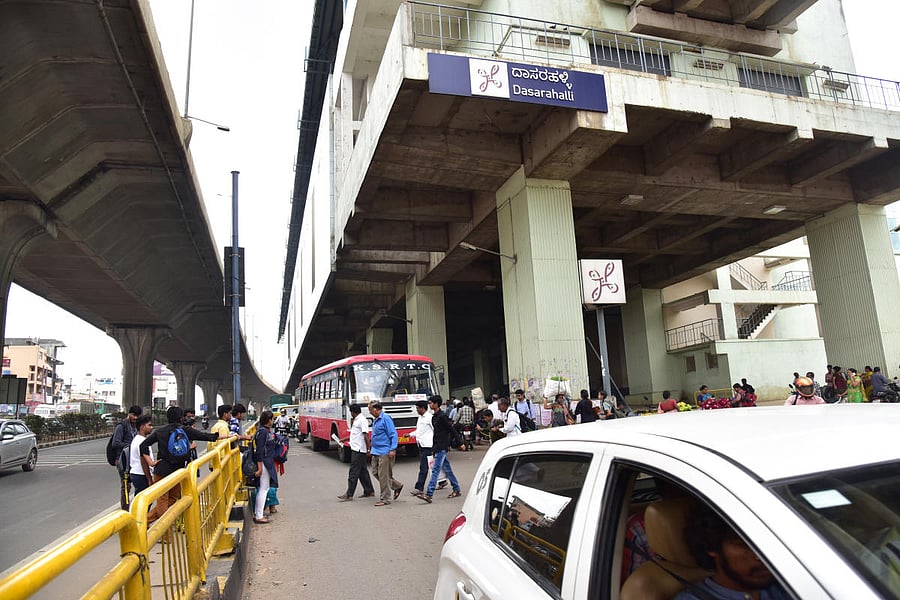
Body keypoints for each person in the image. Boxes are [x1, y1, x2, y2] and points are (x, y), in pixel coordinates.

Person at [676, 503, 790, 600]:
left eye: (767, 544)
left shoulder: (789, 585)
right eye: (744, 545)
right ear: (711, 547)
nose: (761, 556)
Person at [141, 406, 219, 524]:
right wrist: (222, 436)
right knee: (170, 500)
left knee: (165, 500)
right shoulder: (185, 430)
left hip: (161, 470)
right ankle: (164, 533)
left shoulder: (160, 431)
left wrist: (151, 462)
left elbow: (143, 445)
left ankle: (142, 522)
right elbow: (205, 436)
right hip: (178, 471)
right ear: (181, 418)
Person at [419, 395, 462, 503]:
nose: (430, 405)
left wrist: (460, 442)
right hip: (437, 446)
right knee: (447, 469)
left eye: (431, 403)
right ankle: (456, 489)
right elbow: (436, 435)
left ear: (437, 404)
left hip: (442, 447)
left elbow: (451, 429)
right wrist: (433, 448)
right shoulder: (434, 417)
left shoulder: (442, 416)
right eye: (429, 403)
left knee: (435, 470)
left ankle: (429, 494)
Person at [337, 403, 376, 501]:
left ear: (353, 412)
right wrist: (344, 439)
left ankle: (349, 494)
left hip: (359, 450)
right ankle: (369, 491)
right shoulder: (357, 420)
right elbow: (355, 434)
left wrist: (368, 449)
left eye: (351, 412)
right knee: (362, 471)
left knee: (353, 472)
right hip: (355, 448)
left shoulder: (362, 420)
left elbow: (365, 435)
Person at [409, 400, 447, 497]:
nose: (417, 410)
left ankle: (419, 487)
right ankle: (442, 481)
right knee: (435, 465)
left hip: (429, 445)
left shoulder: (430, 418)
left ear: (423, 408)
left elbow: (436, 430)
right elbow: (420, 431)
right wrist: (410, 434)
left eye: (418, 408)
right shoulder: (420, 418)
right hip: (422, 444)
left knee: (424, 467)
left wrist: (437, 443)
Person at [368, 400, 403, 506]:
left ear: (376, 409)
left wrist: (392, 449)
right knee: (375, 472)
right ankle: (397, 485)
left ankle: (385, 498)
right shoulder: (376, 420)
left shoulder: (386, 419)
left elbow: (393, 434)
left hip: (385, 451)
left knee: (384, 475)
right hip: (376, 450)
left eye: (370, 409)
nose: (369, 412)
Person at [112, 405, 142, 510]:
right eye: (134, 415)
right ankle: (125, 509)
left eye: (137, 416)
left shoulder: (136, 426)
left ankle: (137, 508)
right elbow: (115, 443)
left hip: (134, 459)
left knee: (139, 483)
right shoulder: (121, 426)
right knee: (125, 485)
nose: (135, 418)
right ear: (129, 413)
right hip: (123, 460)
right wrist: (130, 445)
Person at [251, 410, 279, 524]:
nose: (273, 421)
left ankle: (258, 514)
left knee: (264, 488)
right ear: (268, 420)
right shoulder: (263, 432)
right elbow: (259, 451)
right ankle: (259, 516)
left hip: (266, 462)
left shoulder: (262, 431)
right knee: (264, 489)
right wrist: (260, 467)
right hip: (264, 463)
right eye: (272, 419)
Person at [130, 415, 157, 497]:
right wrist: (149, 479)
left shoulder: (138, 439)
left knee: (141, 500)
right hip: (141, 475)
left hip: (138, 473)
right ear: (142, 427)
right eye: (149, 425)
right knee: (144, 502)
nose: (151, 427)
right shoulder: (141, 442)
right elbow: (143, 461)